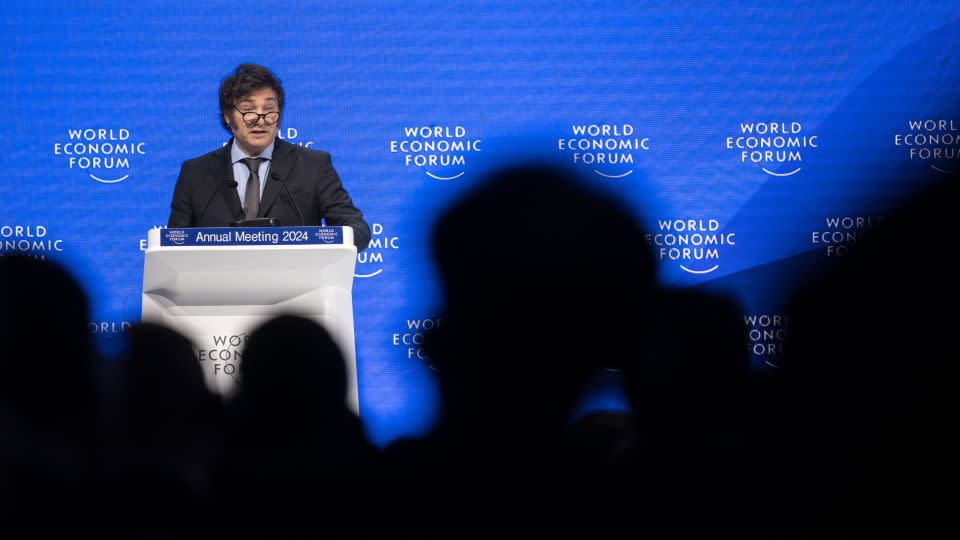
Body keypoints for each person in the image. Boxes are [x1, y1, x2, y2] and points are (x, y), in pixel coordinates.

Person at [167, 63, 371, 251]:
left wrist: (321, 245)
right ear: (228, 116)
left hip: (296, 287)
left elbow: (357, 228)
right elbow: (174, 244)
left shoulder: (313, 166)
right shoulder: (195, 174)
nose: (260, 120)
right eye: (248, 110)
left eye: (269, 110)